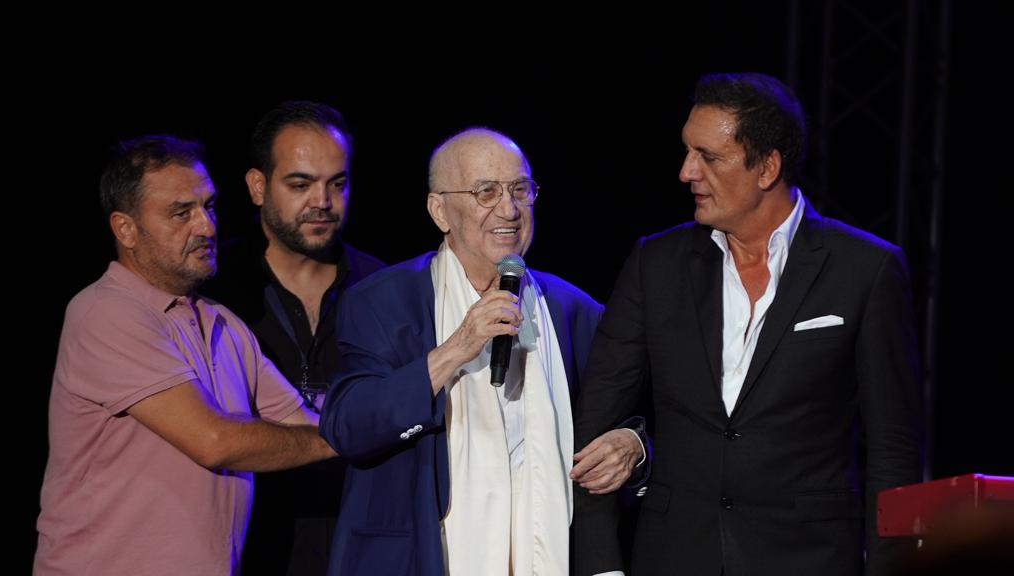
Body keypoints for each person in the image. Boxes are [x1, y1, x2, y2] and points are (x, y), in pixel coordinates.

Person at [573, 73, 923, 576]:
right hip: (674, 557)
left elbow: (894, 449)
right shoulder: (656, 263)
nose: (686, 172)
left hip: (808, 559)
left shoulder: (865, 269)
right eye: (687, 151)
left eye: (708, 157)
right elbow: (596, 423)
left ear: (767, 167)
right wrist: (601, 566)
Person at [320, 128, 643, 575]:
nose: (508, 210)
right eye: (486, 192)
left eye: (520, 190)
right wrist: (457, 347)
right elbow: (348, 427)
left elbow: (642, 413)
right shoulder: (382, 302)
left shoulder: (573, 309)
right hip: (426, 559)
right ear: (440, 211)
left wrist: (634, 444)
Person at [34, 135, 335, 576]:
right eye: (181, 213)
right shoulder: (104, 312)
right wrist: (341, 438)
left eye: (208, 207)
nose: (207, 227)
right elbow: (214, 442)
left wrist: (404, 408)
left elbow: (304, 422)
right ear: (125, 229)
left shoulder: (223, 323)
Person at [204, 101, 384, 575]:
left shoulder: (383, 289)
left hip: (359, 546)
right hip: (247, 546)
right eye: (300, 184)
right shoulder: (212, 290)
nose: (322, 201)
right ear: (257, 186)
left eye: (337, 184)